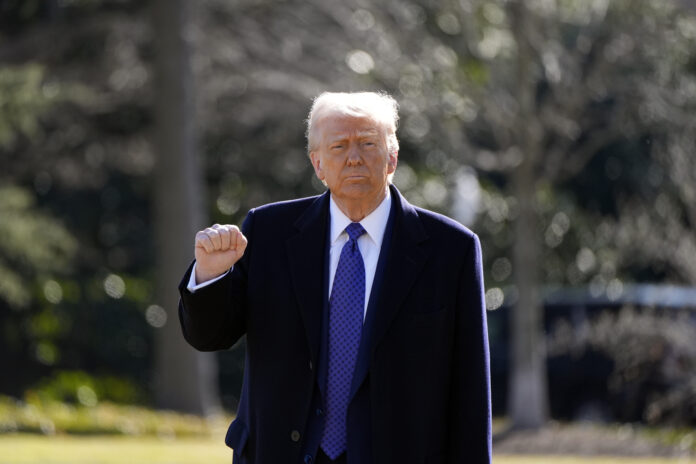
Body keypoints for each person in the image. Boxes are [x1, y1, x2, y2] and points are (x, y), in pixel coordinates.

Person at [178, 91, 491, 464]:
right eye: (339, 146)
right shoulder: (267, 232)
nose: (354, 157)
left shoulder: (450, 249)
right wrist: (211, 276)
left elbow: (470, 392)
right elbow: (209, 335)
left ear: (392, 156)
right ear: (318, 164)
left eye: (368, 143)